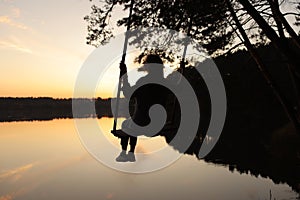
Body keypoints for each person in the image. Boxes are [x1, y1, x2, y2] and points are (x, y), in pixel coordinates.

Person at [114, 54, 169, 162]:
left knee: (126, 124)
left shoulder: (144, 81)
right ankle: (130, 154)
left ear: (149, 66)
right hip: (159, 124)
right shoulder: (165, 83)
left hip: (143, 124)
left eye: (146, 64)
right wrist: (181, 73)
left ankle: (125, 153)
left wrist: (124, 75)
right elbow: (179, 90)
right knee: (133, 123)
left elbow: (128, 93)